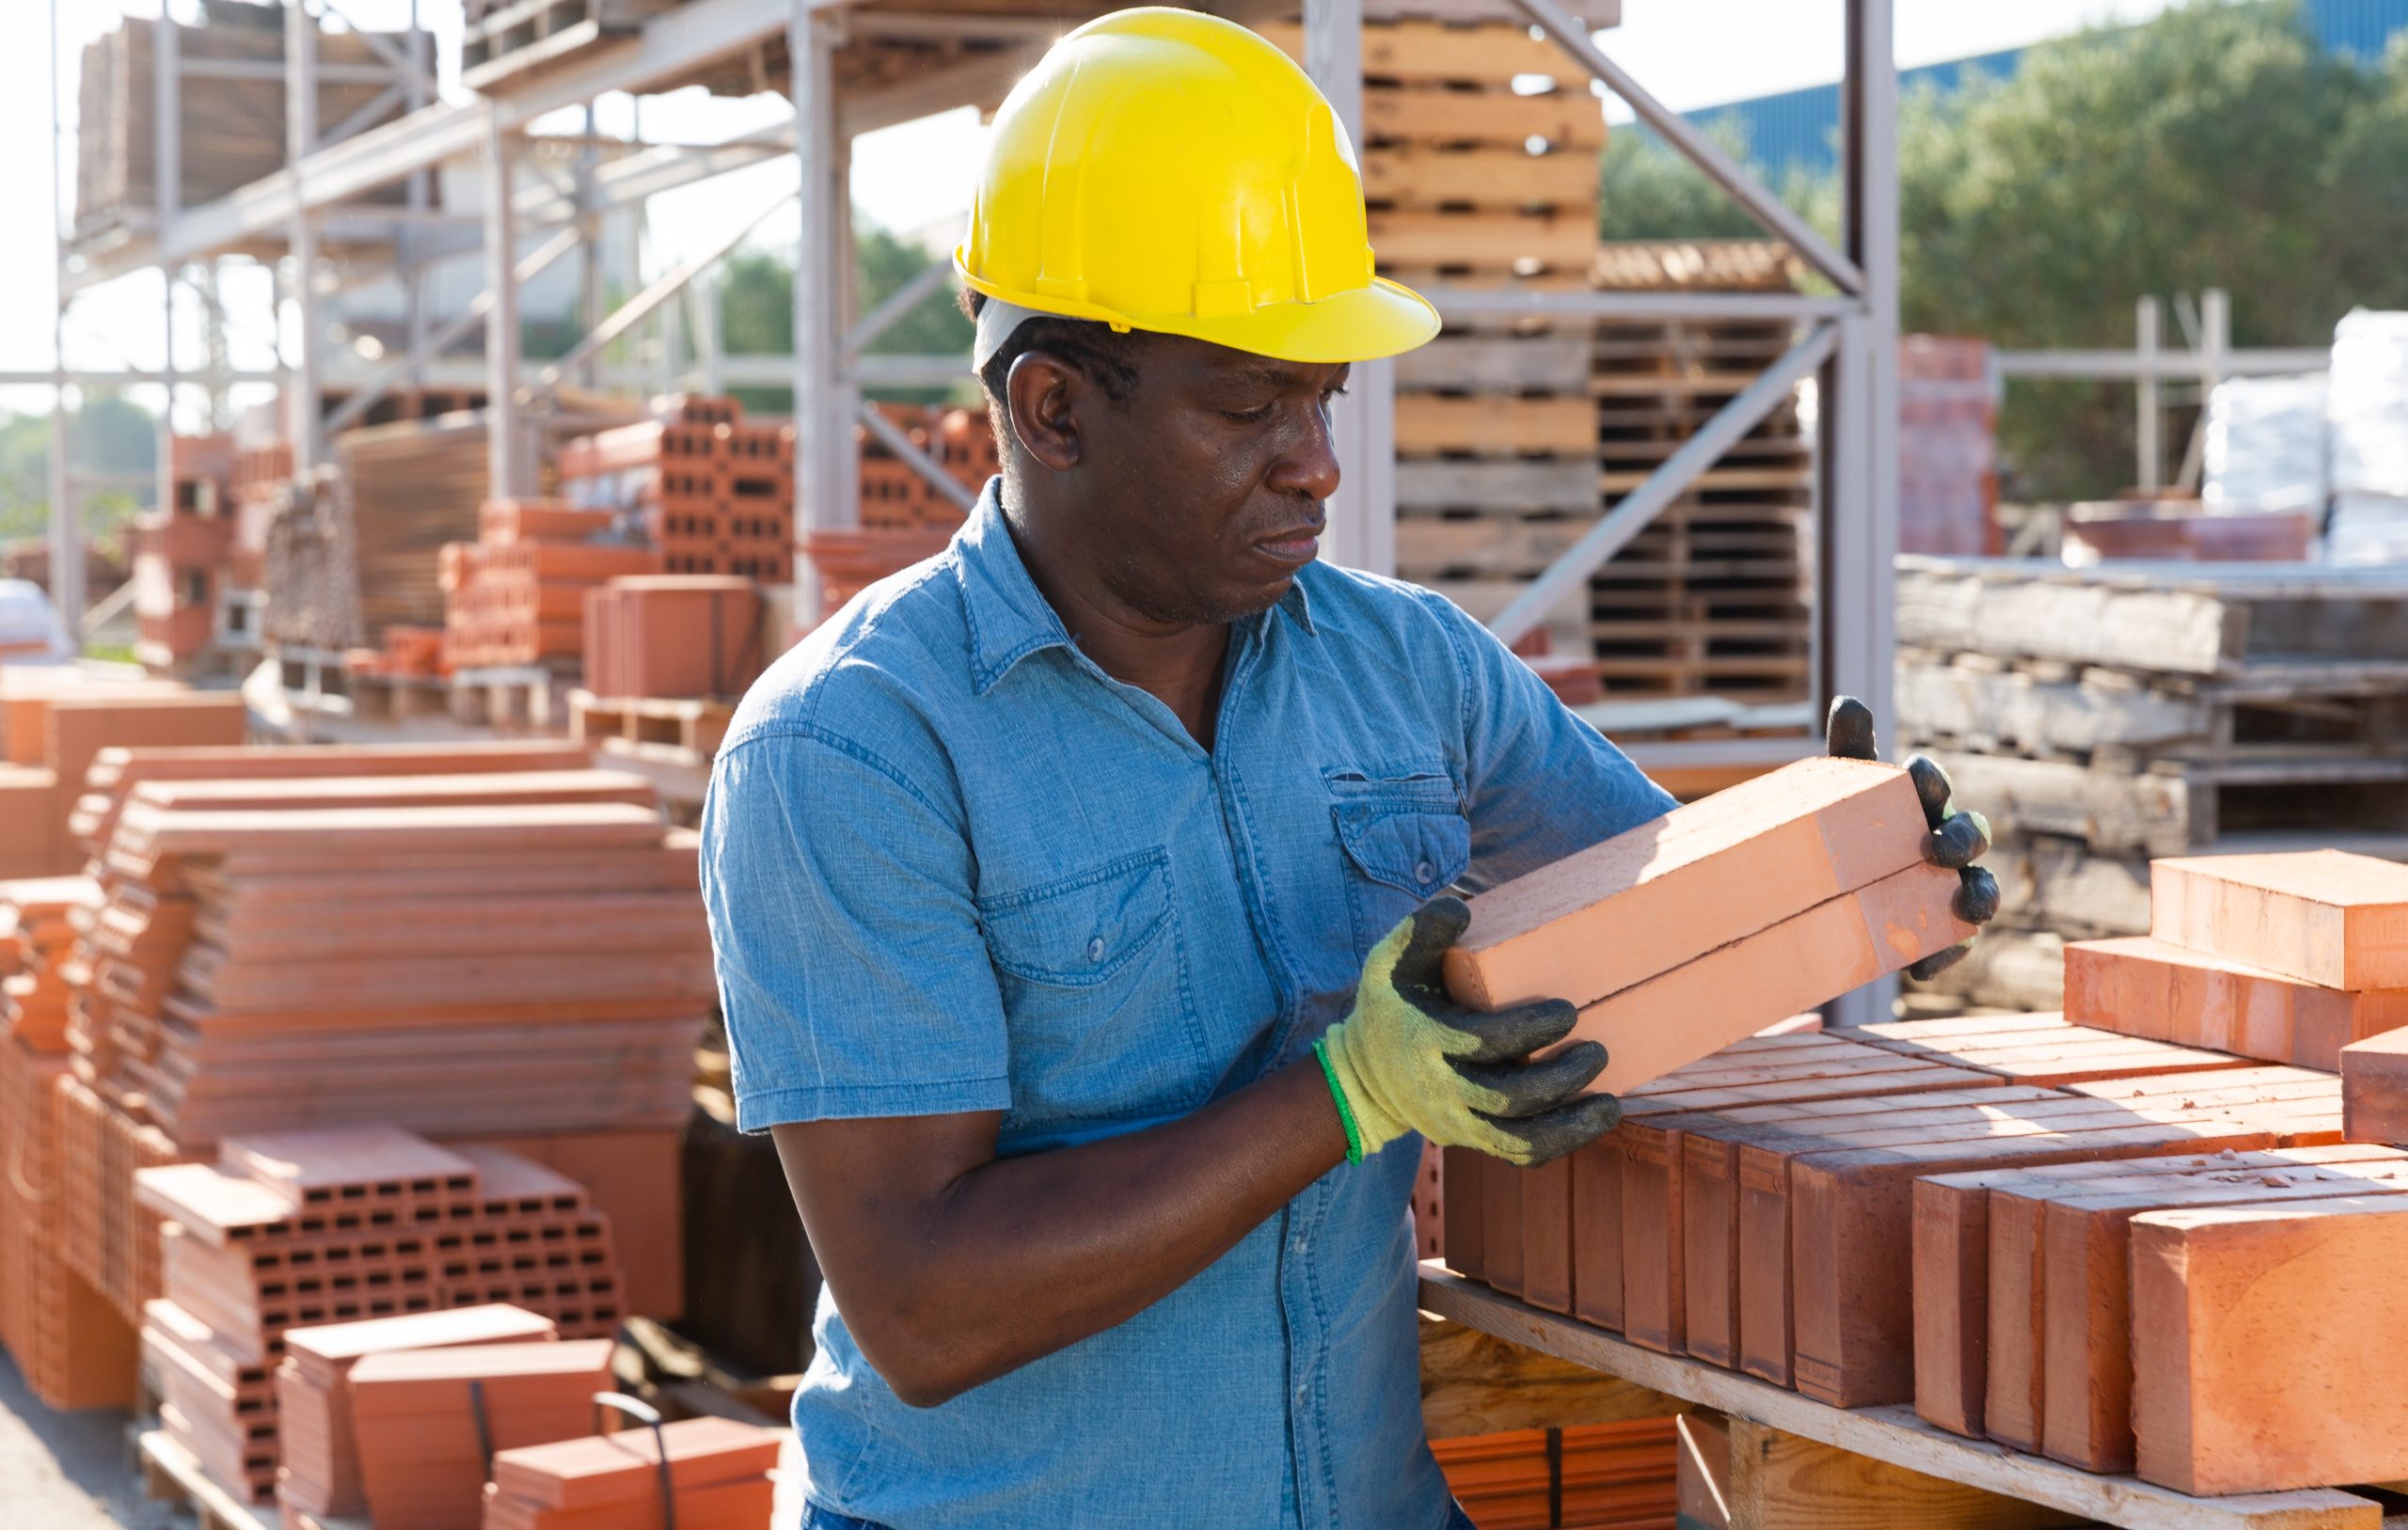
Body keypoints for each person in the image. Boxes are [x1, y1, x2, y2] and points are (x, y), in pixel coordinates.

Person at [698, 11, 1995, 1527]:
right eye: (1250, 406)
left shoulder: (1410, 671)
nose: (1316, 460)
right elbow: (926, 1302)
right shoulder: (852, 753)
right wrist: (1350, 1088)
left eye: (1326, 398)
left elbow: (1658, 934)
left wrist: (1838, 869)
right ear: (1054, 407)